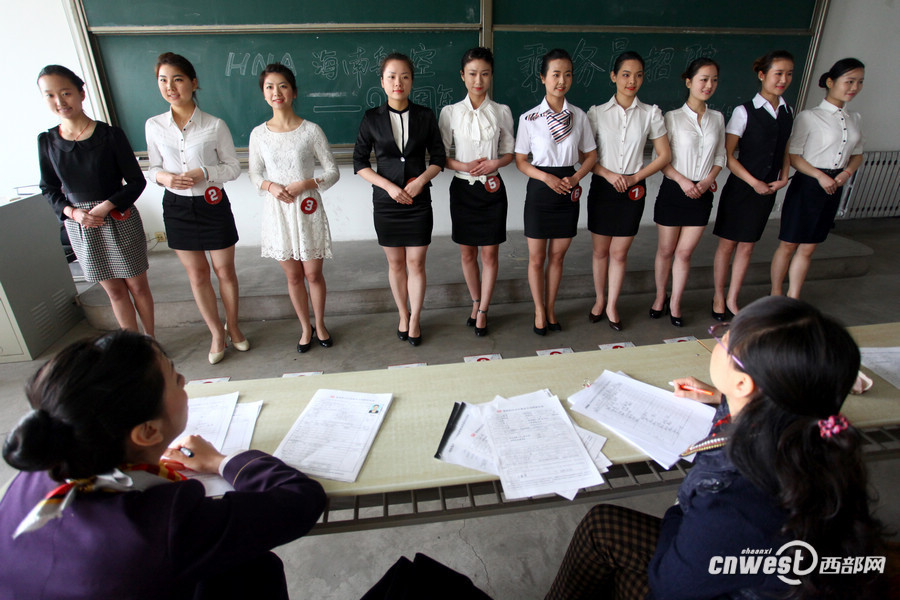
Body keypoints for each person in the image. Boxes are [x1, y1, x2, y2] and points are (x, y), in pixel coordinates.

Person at [545, 296, 887, 600]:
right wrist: (724, 397)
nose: (718, 341)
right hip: (777, 573)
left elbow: (668, 587)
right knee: (602, 525)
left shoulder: (732, 502)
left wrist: (679, 509)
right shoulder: (813, 432)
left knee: (609, 550)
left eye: (724, 339)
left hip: (714, 576)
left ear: (744, 382)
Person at [0, 330, 326, 599]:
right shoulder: (169, 523)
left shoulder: (37, 473)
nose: (184, 380)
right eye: (174, 377)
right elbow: (301, 500)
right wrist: (221, 461)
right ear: (148, 432)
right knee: (253, 569)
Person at [145, 52, 248, 364]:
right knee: (198, 275)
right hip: (176, 206)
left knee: (224, 271)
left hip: (212, 203)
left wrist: (204, 173)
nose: (170, 86)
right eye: (163, 80)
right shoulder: (154, 125)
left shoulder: (214, 125)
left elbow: (233, 168)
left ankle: (235, 327)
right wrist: (163, 177)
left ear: (193, 82)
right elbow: (152, 167)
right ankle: (216, 332)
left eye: (177, 79)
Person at [37, 65, 155, 335]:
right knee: (114, 291)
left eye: (66, 93)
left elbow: (137, 181)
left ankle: (150, 341)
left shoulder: (110, 135)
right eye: (50, 95)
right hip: (82, 226)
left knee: (137, 286)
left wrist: (105, 206)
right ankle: (131, 344)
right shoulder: (47, 141)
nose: (59, 101)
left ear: (81, 93)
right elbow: (49, 188)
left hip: (117, 217)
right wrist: (73, 213)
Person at [354, 53, 446, 346]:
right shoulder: (371, 118)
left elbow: (439, 157)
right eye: (392, 76)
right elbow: (359, 162)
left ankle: (416, 318)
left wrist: (421, 181)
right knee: (396, 265)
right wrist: (388, 187)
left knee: (416, 263)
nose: (398, 82)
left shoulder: (425, 115)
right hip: (386, 202)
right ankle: (402, 314)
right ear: (382, 82)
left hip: (418, 201)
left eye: (404, 76)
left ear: (411, 82)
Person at [249, 63, 340, 353]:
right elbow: (254, 174)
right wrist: (271, 187)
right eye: (269, 87)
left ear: (294, 92)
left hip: (307, 208)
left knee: (313, 274)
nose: (276, 92)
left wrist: (306, 183)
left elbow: (333, 171)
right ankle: (304, 327)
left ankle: (321, 324)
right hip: (278, 212)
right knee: (293, 276)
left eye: (283, 86)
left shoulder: (311, 130)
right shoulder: (258, 134)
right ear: (264, 94)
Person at [587, 51, 671, 331]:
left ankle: (612, 305)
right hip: (603, 185)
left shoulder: (651, 114)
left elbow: (663, 156)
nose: (631, 81)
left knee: (619, 253)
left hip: (633, 189)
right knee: (600, 251)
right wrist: (609, 175)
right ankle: (599, 300)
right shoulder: (597, 113)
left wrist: (635, 177)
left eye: (638, 75)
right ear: (613, 76)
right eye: (625, 74)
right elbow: (584, 156)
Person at [515, 48, 597, 336]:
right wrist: (546, 179)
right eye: (555, 75)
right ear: (543, 78)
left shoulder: (579, 116)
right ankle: (538, 310)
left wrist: (574, 177)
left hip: (568, 187)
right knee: (537, 257)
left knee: (558, 256)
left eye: (567, 75)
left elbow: (591, 155)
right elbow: (521, 161)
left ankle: (551, 308)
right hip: (540, 187)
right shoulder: (529, 118)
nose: (561, 80)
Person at [770, 58, 865, 299]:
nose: (854, 87)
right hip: (808, 184)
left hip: (835, 185)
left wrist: (845, 173)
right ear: (831, 82)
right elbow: (794, 154)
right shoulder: (809, 117)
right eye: (849, 81)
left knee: (809, 246)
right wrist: (820, 176)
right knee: (790, 243)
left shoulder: (854, 119)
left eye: (859, 82)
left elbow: (857, 154)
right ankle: (775, 294)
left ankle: (794, 296)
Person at [712, 51, 794, 320]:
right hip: (741, 189)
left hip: (768, 189)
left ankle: (734, 298)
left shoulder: (787, 110)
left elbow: (784, 149)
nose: (783, 79)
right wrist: (753, 182)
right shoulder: (744, 111)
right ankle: (719, 296)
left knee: (747, 246)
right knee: (727, 245)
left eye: (789, 74)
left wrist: (784, 175)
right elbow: (728, 155)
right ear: (762, 75)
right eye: (778, 73)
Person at [439, 47, 515, 337]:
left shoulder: (502, 112)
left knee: (490, 255)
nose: (478, 80)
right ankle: (475, 301)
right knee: (467, 253)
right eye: (472, 74)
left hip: (493, 189)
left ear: (491, 75)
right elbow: (441, 157)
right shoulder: (450, 113)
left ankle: (484, 309)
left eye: (484, 73)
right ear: (462, 75)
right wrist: (464, 165)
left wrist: (495, 162)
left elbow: (509, 153)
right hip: (462, 188)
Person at [651, 58, 725, 327]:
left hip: (702, 192)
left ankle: (676, 302)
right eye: (703, 79)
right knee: (666, 250)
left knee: (684, 253)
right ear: (689, 81)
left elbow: (720, 155)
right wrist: (683, 181)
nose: (709, 85)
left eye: (714, 80)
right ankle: (660, 296)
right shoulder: (671, 118)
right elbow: (661, 158)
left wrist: (708, 180)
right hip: (674, 189)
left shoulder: (717, 118)